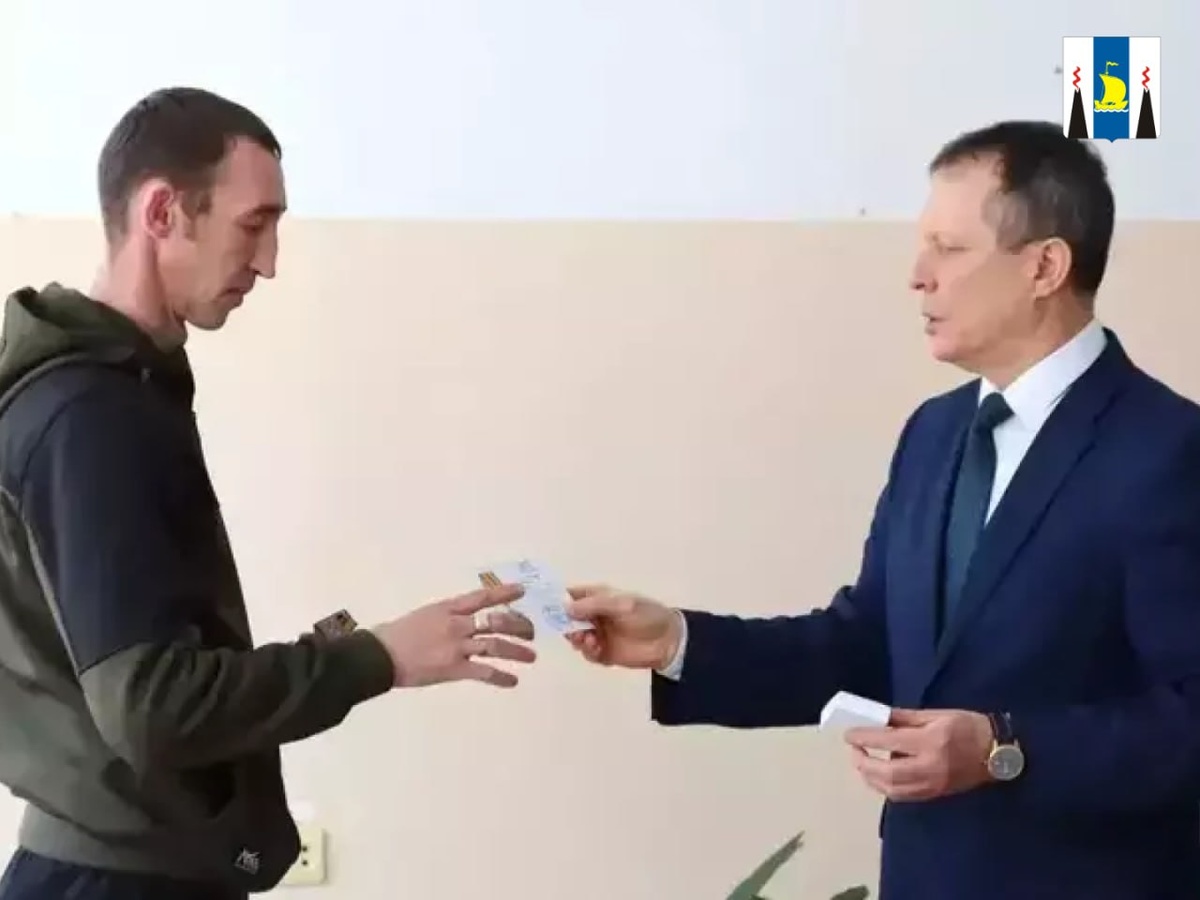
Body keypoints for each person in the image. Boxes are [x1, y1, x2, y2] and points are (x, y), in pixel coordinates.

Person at [565, 120, 1200, 899]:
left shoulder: (1168, 450)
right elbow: (866, 644)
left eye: (949, 248)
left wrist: (1004, 748)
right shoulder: (934, 434)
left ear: (1045, 266)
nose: (917, 277)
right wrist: (678, 642)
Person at [0, 87, 536, 900]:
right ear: (162, 212)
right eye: (254, 224)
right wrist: (378, 657)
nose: (269, 261)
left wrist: (364, 649)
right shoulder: (89, 416)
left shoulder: (119, 394)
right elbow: (152, 708)